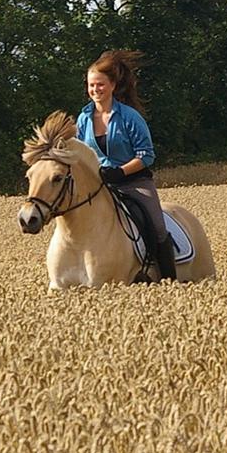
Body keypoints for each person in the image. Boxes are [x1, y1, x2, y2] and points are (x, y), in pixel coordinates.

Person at [76, 50, 177, 282]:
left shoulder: (130, 117)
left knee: (158, 229)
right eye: (91, 85)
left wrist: (120, 171)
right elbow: (81, 155)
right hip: (100, 186)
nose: (95, 90)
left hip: (134, 183)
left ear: (112, 85)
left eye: (100, 85)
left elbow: (146, 155)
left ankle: (169, 281)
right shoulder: (83, 119)